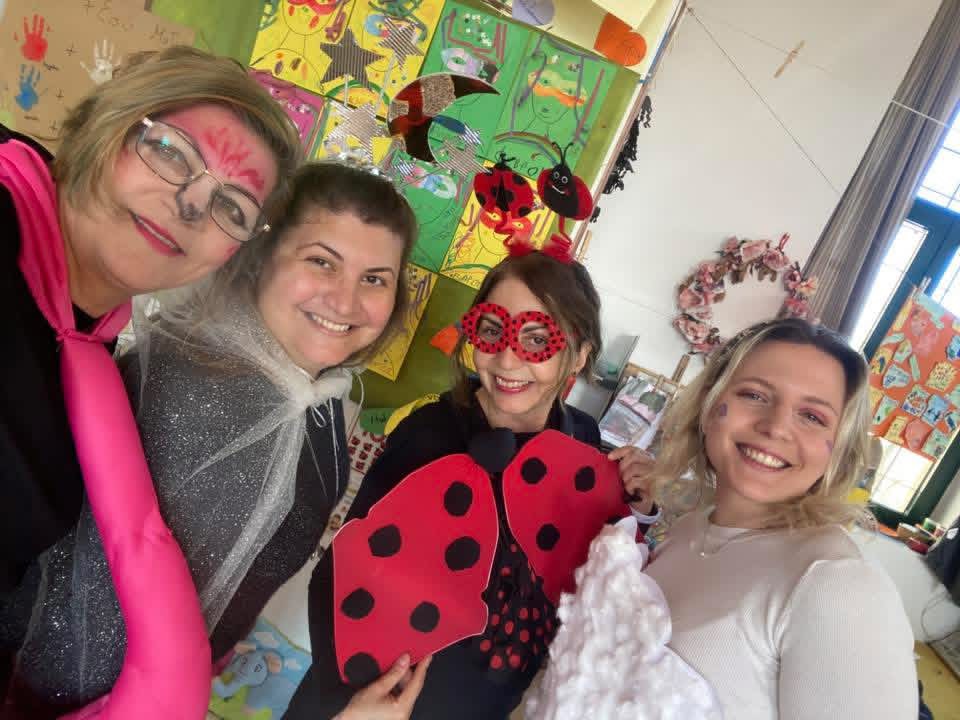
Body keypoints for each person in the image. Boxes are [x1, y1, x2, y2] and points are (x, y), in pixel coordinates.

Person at [6, 161, 419, 716]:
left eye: (375, 279)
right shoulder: (190, 382)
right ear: (263, 257)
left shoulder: (316, 400)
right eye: (322, 261)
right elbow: (77, 626)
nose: (346, 302)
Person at [0, 45, 301, 714]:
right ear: (108, 123)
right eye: (170, 152)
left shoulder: (88, 339)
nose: (190, 205)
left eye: (232, 207)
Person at [284, 246, 658, 720]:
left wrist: (640, 508)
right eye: (492, 331)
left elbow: (602, 576)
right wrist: (351, 706)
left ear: (579, 355)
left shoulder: (584, 440)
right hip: (372, 701)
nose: (507, 360)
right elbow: (346, 572)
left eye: (537, 339)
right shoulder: (427, 434)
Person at [633, 319, 916, 718]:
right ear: (709, 406)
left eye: (812, 417)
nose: (776, 427)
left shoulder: (838, 584)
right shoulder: (690, 529)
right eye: (754, 395)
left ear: (838, 450)